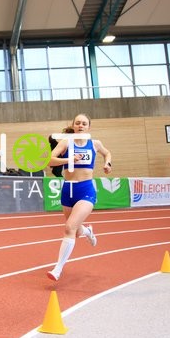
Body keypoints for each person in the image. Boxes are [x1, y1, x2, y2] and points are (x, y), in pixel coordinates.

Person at [45, 113, 112, 281]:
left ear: (89, 127)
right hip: (68, 189)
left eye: (84, 123)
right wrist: (68, 159)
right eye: (78, 123)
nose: (81, 125)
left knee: (69, 228)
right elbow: (50, 161)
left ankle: (58, 269)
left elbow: (107, 153)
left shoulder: (95, 143)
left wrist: (107, 164)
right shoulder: (66, 142)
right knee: (75, 231)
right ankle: (88, 231)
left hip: (86, 189)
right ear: (73, 125)